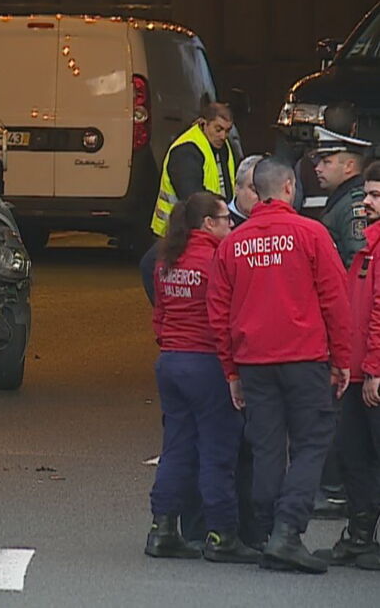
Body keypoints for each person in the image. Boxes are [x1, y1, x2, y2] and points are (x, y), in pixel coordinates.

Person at [207, 156, 352, 574]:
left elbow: (219, 311)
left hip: (254, 362)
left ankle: (270, 531)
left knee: (267, 446)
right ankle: (288, 532)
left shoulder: (233, 243)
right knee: (311, 443)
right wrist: (341, 359)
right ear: (289, 188)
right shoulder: (312, 234)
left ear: (256, 190)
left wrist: (231, 370)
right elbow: (334, 300)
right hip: (305, 358)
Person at [144, 192, 259, 564]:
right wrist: (233, 371)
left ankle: (163, 529)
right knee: (218, 451)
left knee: (176, 448)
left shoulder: (168, 259)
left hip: (172, 361)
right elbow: (225, 322)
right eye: (226, 218)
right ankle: (222, 533)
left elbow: (160, 316)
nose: (231, 224)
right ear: (208, 224)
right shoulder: (217, 259)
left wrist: (170, 345)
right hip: (207, 363)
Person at [315, 160, 380, 571]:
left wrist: (374, 370)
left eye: (376, 195)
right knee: (356, 457)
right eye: (367, 193)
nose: (366, 202)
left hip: (372, 375)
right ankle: (359, 537)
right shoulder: (369, 247)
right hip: (358, 374)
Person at [139, 102, 237, 304]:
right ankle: (168, 310)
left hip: (211, 225)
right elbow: (191, 195)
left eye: (227, 131)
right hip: (180, 228)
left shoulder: (223, 147)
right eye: (217, 129)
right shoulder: (186, 151)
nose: (222, 136)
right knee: (151, 266)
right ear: (203, 123)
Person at [313, 124, 372, 268]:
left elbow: (358, 259)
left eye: (326, 162)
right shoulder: (341, 199)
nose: (318, 168)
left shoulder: (354, 205)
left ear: (349, 166)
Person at [293, 101, 359, 211]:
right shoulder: (364, 165)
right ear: (354, 128)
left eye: (327, 162)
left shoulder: (303, 165)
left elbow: (294, 206)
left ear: (323, 125)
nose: (318, 168)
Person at [228, 155, 264, 227]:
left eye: (265, 190)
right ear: (237, 187)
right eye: (254, 190)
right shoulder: (222, 223)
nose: (261, 197)